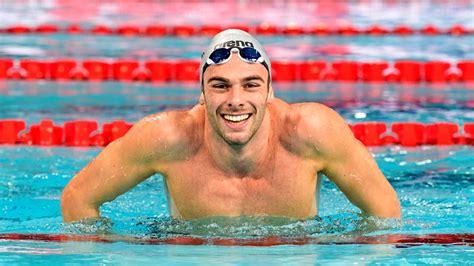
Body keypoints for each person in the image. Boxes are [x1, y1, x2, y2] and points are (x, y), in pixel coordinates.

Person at [61, 29, 400, 222]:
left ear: (269, 91)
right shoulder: (166, 138)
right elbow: (77, 199)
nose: (235, 100)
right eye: (220, 85)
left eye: (251, 85)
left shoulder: (311, 132)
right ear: (202, 95)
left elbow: (385, 216)